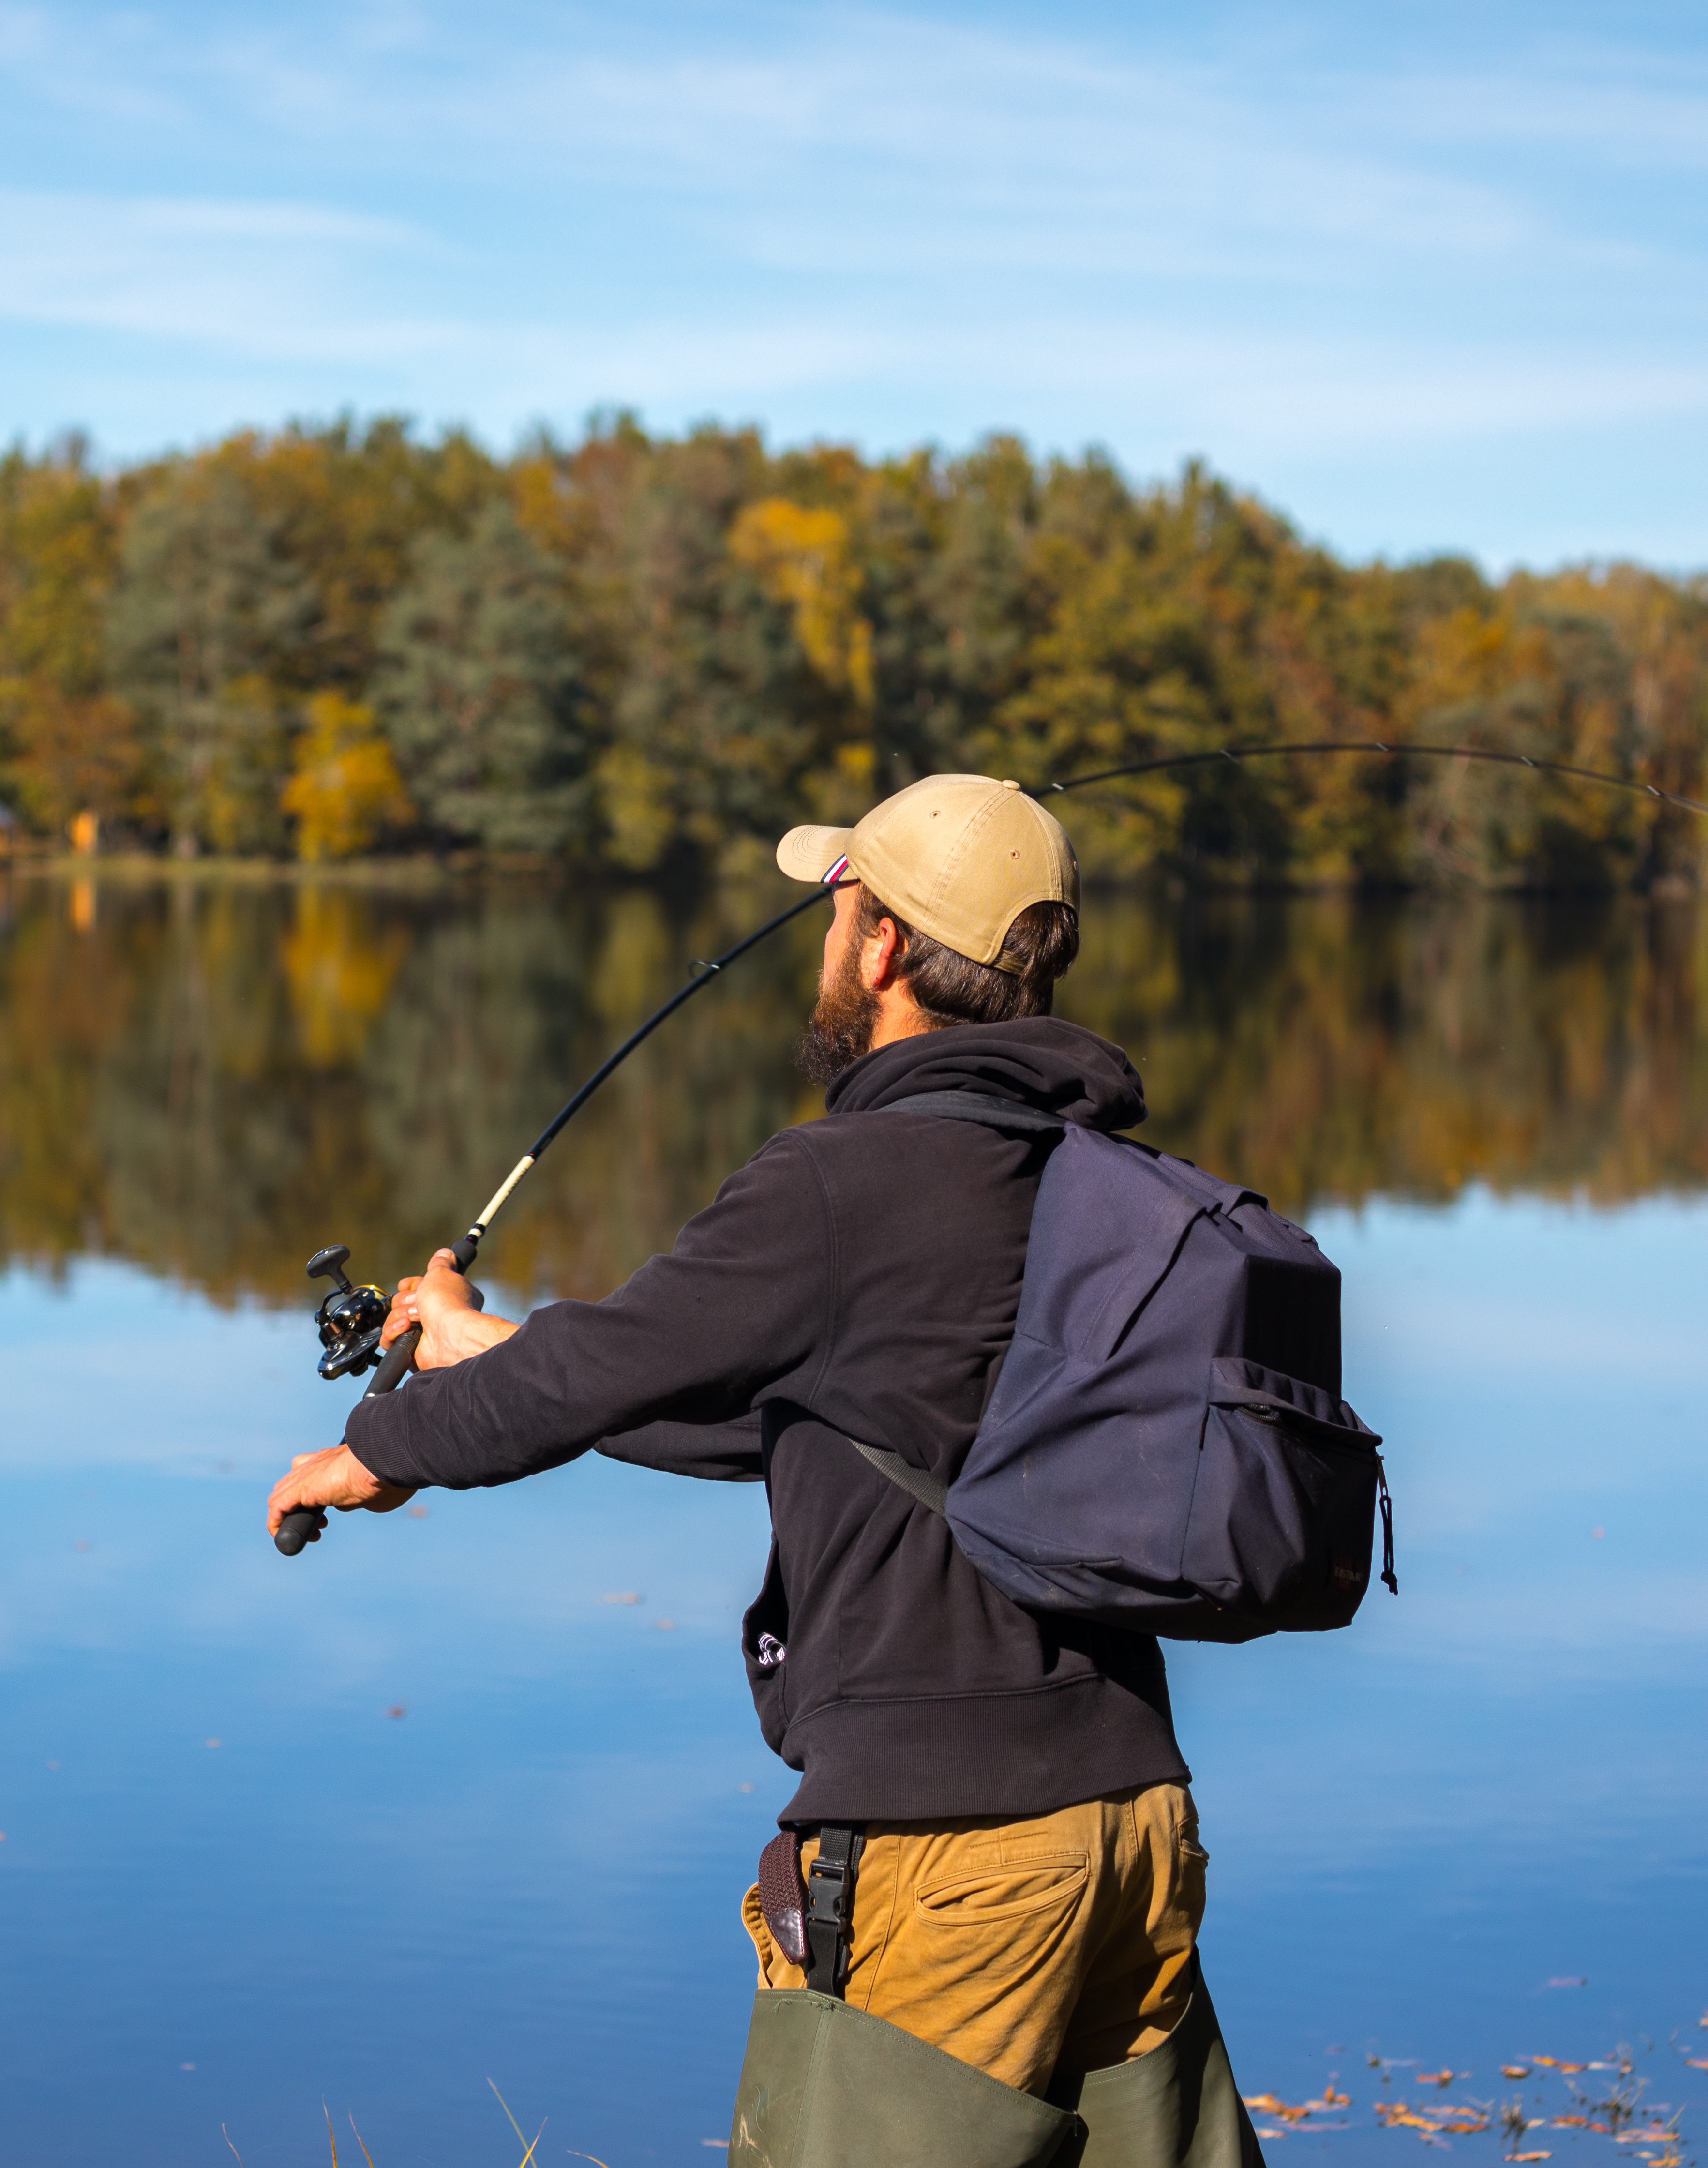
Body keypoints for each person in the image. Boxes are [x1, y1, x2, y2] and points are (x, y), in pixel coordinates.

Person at [266, 775, 1258, 2168]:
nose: (827, 935)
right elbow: (783, 1412)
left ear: (888, 949)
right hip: (1138, 1831)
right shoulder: (1091, 1182)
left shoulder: (836, 1184)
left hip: (951, 1843)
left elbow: (595, 1380)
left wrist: (371, 1454)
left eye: (840, 905)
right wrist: (485, 1349)